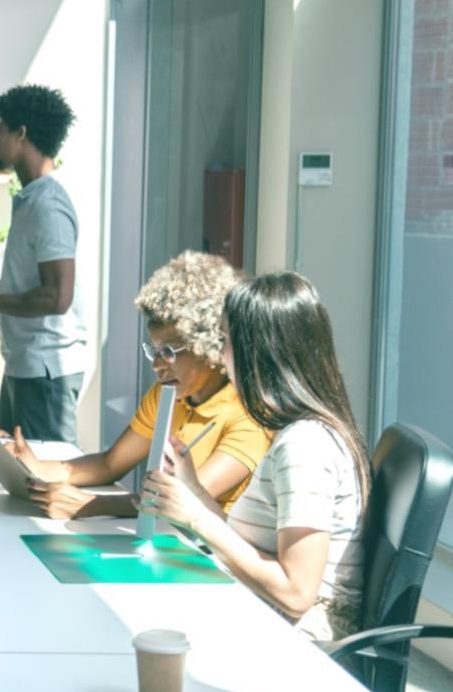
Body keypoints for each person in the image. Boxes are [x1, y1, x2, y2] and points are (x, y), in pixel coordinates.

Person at [141, 272, 370, 641]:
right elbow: (251, 545)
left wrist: (196, 517)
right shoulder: (298, 433)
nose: (220, 353)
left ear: (257, 353)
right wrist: (193, 487)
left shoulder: (305, 446)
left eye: (225, 341)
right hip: (269, 618)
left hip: (299, 641)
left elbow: (296, 595)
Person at [3, 252, 270, 519]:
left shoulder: (250, 414)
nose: (157, 365)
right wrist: (34, 466)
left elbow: (183, 497)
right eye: (153, 350)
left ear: (210, 346)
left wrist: (90, 505)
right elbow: (110, 464)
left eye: (169, 351)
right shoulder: (167, 394)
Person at [0, 85, 88, 443]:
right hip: (25, 367)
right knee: (14, 475)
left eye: (1, 129)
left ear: (21, 133)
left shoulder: (48, 205)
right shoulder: (31, 199)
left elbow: (58, 296)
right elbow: (34, 282)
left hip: (46, 373)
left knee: (43, 482)